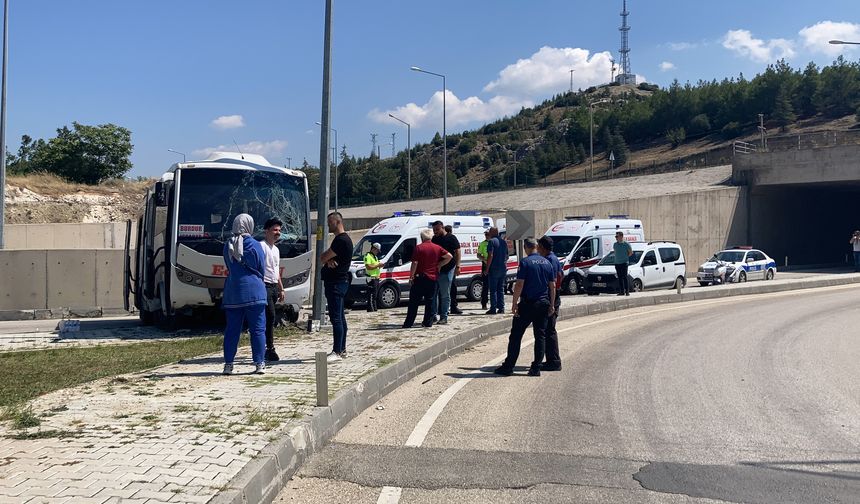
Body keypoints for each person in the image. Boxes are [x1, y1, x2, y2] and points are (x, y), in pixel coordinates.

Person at [494, 237, 556, 377]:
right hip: (543, 303)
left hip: (528, 304)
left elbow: (519, 284)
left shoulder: (525, 262)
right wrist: (552, 305)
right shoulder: (547, 262)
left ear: (526, 248)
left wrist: (514, 303)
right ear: (536, 246)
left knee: (516, 335)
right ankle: (536, 368)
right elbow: (552, 286)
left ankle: (509, 366)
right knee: (540, 336)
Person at [222, 214, 268, 375]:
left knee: (232, 330)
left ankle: (228, 364)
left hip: (233, 292)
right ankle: (259, 363)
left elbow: (228, 265)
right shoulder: (256, 246)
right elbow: (262, 268)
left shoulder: (227, 246)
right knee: (258, 330)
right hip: (255, 293)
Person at [319, 211, 353, 363]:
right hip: (339, 281)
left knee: (336, 319)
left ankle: (337, 351)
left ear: (337, 222)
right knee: (341, 317)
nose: (328, 226)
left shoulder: (341, 240)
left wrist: (326, 259)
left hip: (336, 283)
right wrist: (328, 261)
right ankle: (343, 349)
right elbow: (327, 259)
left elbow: (323, 257)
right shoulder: (344, 240)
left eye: (330, 223)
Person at [403, 229, 452, 329]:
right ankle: (427, 322)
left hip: (419, 278)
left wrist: (411, 276)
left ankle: (409, 323)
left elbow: (415, 263)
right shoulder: (437, 247)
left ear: (422, 238)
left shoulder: (418, 248)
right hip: (432, 278)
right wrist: (439, 265)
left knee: (414, 302)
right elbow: (449, 256)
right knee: (430, 301)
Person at [537, 235, 563, 371]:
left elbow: (554, 281)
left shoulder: (549, 260)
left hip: (551, 297)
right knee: (548, 330)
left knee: (549, 330)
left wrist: (552, 302)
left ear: (542, 247)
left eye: (538, 246)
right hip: (552, 296)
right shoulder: (553, 258)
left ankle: (554, 361)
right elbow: (561, 276)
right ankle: (550, 360)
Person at [260, 217, 284, 362]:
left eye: (279, 230)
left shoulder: (276, 250)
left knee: (270, 318)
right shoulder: (261, 247)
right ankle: (270, 348)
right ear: (267, 231)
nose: (278, 233)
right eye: (275, 230)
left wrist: (281, 288)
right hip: (264, 286)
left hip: (274, 287)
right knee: (270, 316)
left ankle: (265, 346)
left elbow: (276, 271)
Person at [431, 221, 460, 324]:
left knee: (444, 294)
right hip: (436, 270)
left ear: (442, 227)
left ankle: (444, 317)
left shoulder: (451, 238)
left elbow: (457, 252)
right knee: (433, 294)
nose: (435, 232)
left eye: (437, 229)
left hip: (448, 269)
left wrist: (458, 266)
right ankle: (433, 316)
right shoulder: (434, 239)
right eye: (434, 230)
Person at [485, 227, 508, 314]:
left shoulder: (491, 241)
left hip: (494, 268)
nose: (489, 233)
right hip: (503, 268)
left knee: (493, 290)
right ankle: (501, 308)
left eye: (490, 231)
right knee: (500, 289)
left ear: (493, 232)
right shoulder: (503, 242)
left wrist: (487, 269)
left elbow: (490, 255)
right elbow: (507, 256)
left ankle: (493, 308)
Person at [443, 224, 463, 315]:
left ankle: (450, 307)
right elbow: (457, 252)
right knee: (451, 288)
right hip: (450, 267)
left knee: (448, 289)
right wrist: (457, 265)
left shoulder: (449, 239)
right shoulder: (451, 239)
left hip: (448, 267)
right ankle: (452, 307)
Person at [364, 242, 384, 311]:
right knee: (372, 294)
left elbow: (375, 266)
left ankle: (374, 308)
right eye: (377, 250)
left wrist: (380, 266)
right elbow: (368, 267)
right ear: (373, 249)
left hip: (376, 278)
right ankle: (371, 308)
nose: (378, 252)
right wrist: (378, 265)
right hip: (371, 278)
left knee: (375, 294)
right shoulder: (368, 256)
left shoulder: (375, 257)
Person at [613, 231, 633, 296]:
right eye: (615, 236)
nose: (616, 238)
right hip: (617, 263)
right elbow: (615, 252)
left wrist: (625, 257)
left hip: (624, 263)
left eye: (617, 236)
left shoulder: (626, 244)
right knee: (620, 278)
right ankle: (621, 291)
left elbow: (630, 253)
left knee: (625, 277)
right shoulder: (615, 244)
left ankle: (627, 291)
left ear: (621, 236)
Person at [477, 230, 491, 310]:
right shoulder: (482, 244)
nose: (486, 236)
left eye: (488, 234)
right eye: (485, 234)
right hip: (485, 265)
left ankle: (494, 304)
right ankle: (484, 303)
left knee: (494, 286)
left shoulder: (493, 243)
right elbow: (478, 255)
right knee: (485, 285)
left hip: (493, 266)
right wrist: (484, 259)